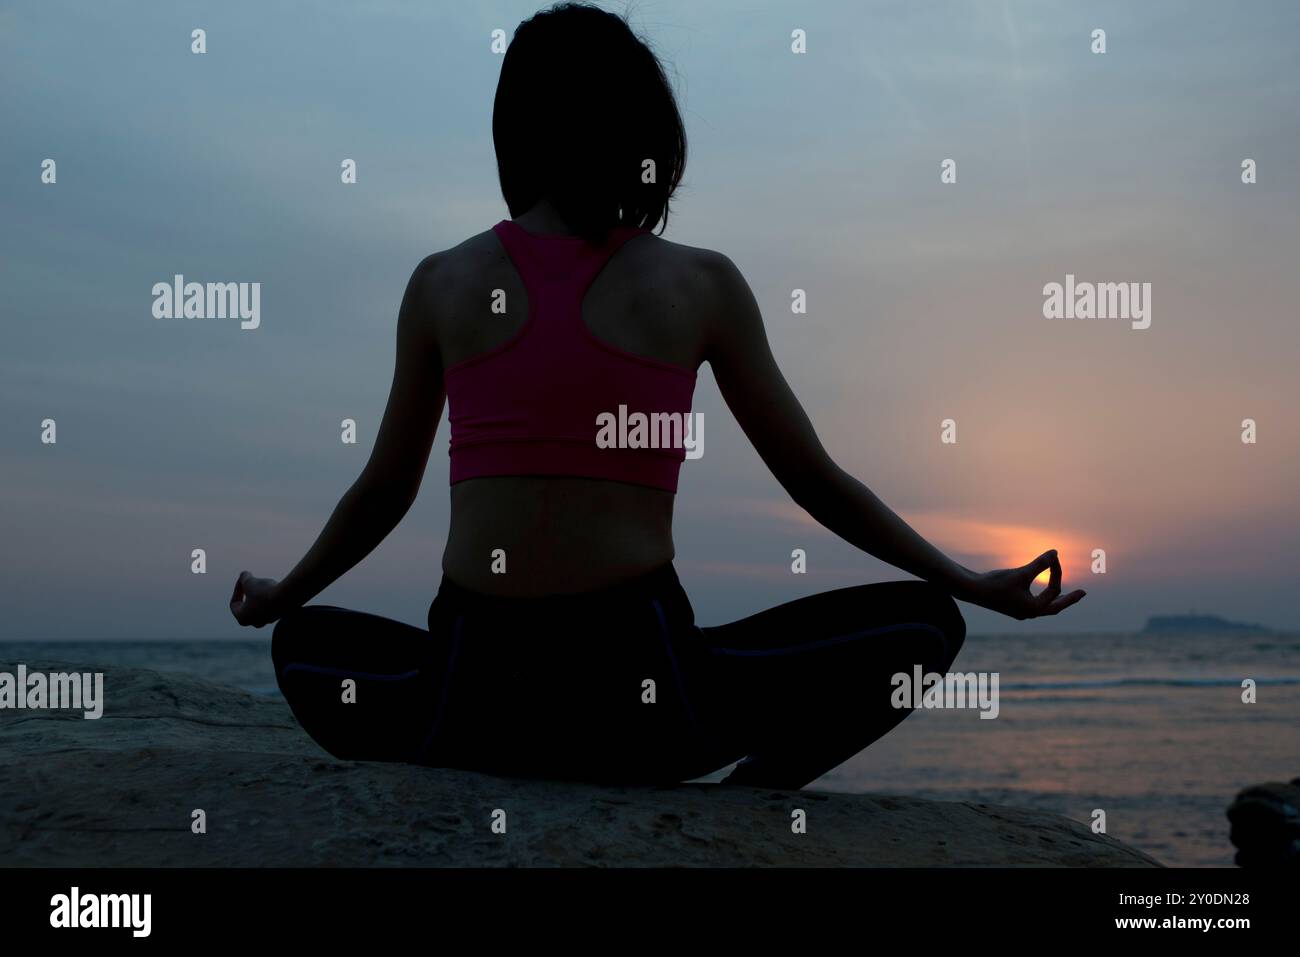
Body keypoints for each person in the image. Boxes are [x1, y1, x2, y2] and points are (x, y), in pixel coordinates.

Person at [230, 2, 1084, 789]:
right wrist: (967, 582)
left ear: (515, 130)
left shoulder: (441, 283)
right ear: (640, 128)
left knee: (304, 643)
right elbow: (815, 481)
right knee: (926, 630)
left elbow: (384, 489)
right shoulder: (700, 285)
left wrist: (281, 595)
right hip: (645, 700)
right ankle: (745, 805)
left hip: (470, 701)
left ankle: (482, 750)